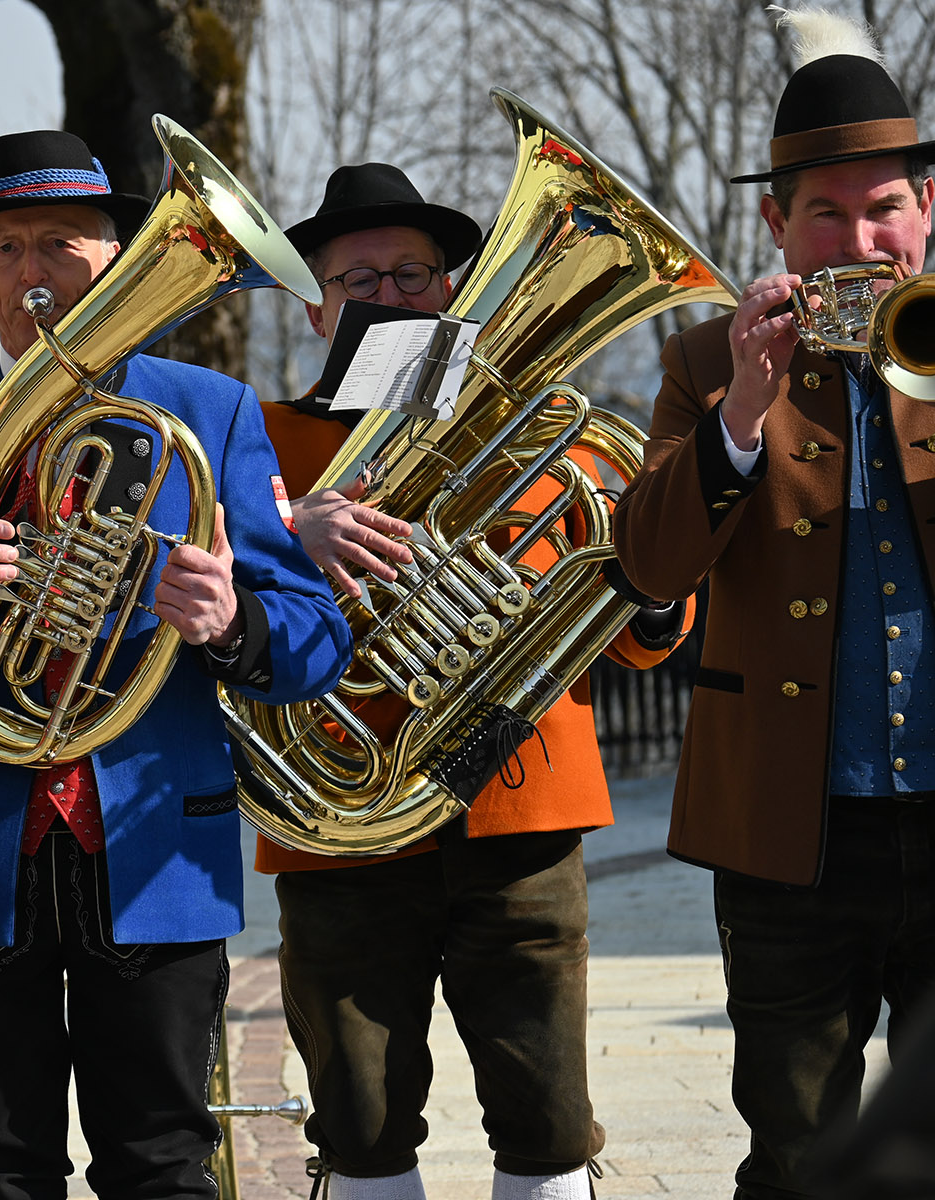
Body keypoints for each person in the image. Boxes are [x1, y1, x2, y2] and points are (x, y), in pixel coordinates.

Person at [0, 129, 350, 1200]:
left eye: (61, 244)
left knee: (164, 1165)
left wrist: (231, 619)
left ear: (120, 255)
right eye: (4, 248)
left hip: (152, 853)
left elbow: (315, 643)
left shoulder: (209, 411)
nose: (31, 274)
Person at [259, 164, 691, 1200]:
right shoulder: (263, 448)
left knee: (547, 1122)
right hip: (339, 820)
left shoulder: (545, 435)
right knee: (359, 1122)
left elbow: (640, 640)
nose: (393, 295)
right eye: (360, 279)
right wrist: (283, 541)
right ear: (317, 305)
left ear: (451, 292)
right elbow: (216, 617)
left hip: (522, 814)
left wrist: (652, 584)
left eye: (414, 273)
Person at [612, 12, 935, 1197]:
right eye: (827, 212)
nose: (861, 237)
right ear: (776, 226)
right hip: (788, 833)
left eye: (885, 206)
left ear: (928, 210)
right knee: (798, 1155)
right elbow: (648, 573)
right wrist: (742, 412)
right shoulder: (707, 362)